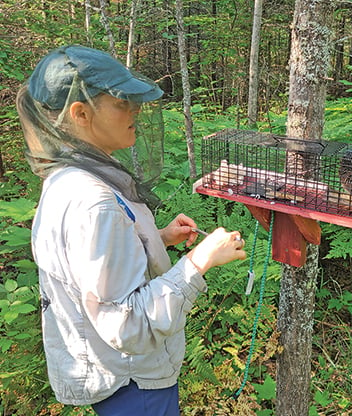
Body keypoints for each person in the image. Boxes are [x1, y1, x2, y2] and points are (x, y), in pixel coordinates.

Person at [16, 45, 246, 415]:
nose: (135, 109)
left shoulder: (71, 178)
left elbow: (94, 270)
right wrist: (198, 260)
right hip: (132, 386)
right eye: (121, 102)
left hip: (119, 379)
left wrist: (158, 237)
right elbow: (128, 325)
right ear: (80, 113)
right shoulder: (93, 201)